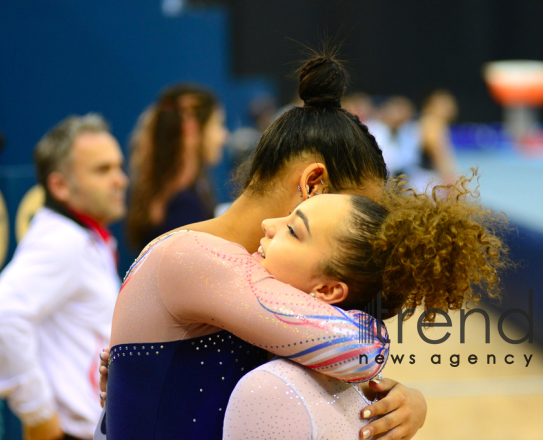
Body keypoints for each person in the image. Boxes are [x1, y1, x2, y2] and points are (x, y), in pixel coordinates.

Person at [99, 51, 428, 440]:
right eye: (353, 214)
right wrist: (373, 366)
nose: (358, 243)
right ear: (313, 185)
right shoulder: (193, 256)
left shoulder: (250, 274)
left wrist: (401, 399)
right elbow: (359, 349)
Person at [224, 173, 509, 439]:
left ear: (327, 290)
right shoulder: (360, 375)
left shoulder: (269, 389)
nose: (268, 224)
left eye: (293, 230)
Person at [0, 114, 128, 440]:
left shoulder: (84, 236)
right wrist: (39, 417)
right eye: (103, 170)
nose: (121, 180)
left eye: (119, 167)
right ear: (59, 185)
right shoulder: (62, 240)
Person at [126, 83, 228, 252]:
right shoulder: (184, 208)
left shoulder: (169, 196)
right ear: (190, 129)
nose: (224, 136)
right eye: (218, 125)